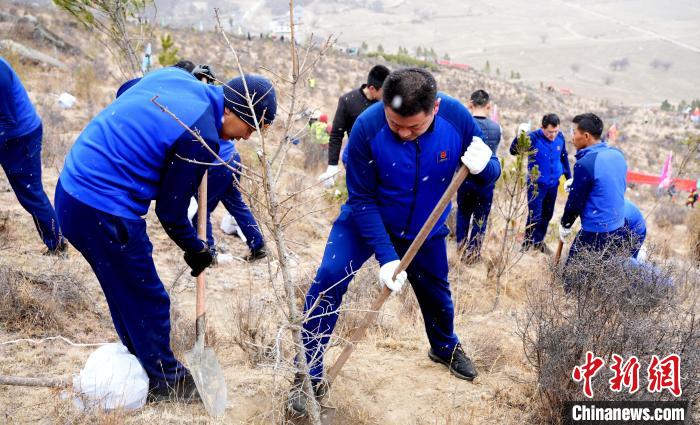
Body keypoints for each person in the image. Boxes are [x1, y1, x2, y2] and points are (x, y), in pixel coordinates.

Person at [55, 67, 276, 402]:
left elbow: (125, 90)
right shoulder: (199, 135)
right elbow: (171, 212)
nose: (246, 138)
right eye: (249, 128)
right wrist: (196, 248)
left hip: (71, 190)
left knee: (125, 289)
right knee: (148, 297)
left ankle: (142, 365)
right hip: (102, 207)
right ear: (231, 111)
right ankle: (168, 384)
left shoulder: (178, 77)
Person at [290, 68, 500, 415]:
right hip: (367, 219)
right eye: (394, 123)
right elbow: (361, 198)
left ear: (434, 108)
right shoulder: (367, 127)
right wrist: (387, 256)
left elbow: (488, 174)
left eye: (413, 127)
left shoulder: (457, 119)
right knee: (329, 278)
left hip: (425, 226)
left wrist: (485, 167)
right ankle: (306, 371)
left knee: (437, 294)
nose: (403, 133)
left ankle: (444, 348)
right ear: (384, 105)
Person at [0, 56, 65, 254]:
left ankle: (57, 245)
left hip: (21, 136)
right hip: (8, 133)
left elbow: (7, 120)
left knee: (31, 194)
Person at [558, 113, 628, 285]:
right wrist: (579, 183)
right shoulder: (617, 154)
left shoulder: (586, 163)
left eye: (574, 132)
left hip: (596, 231)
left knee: (572, 279)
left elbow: (575, 202)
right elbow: (609, 182)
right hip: (619, 225)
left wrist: (566, 224)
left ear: (586, 136)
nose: (572, 137)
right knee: (601, 279)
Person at [191, 138, 267, 262]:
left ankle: (209, 254)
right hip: (232, 156)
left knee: (201, 214)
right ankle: (258, 246)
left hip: (218, 162)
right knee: (235, 203)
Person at [317, 64, 390, 187]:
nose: (387, 94)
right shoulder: (348, 101)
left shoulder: (387, 104)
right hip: (358, 160)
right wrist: (332, 165)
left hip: (383, 162)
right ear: (372, 88)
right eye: (384, 91)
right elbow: (336, 134)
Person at [510, 113, 571, 253]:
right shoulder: (533, 137)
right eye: (550, 132)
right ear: (542, 127)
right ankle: (527, 244)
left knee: (547, 214)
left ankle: (538, 242)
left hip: (553, 184)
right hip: (536, 185)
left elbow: (564, 157)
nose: (553, 135)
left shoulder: (560, 137)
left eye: (555, 131)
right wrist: (519, 136)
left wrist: (568, 177)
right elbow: (514, 151)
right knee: (535, 215)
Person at [456, 89, 502, 262]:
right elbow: (495, 154)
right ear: (488, 106)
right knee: (480, 219)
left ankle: (460, 250)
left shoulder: (464, 126)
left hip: (465, 180)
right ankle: (473, 255)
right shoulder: (496, 128)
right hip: (486, 182)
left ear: (470, 104)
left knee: (463, 215)